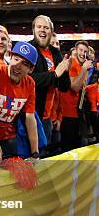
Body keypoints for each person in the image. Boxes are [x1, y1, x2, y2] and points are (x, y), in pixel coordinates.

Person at [28, 15, 71, 145]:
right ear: (33, 30)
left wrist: (64, 72)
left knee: (44, 157)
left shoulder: (56, 53)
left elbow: (64, 87)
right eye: (39, 27)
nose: (42, 30)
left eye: (46, 27)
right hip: (30, 116)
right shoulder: (28, 49)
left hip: (48, 118)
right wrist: (55, 74)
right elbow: (27, 79)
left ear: (51, 32)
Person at [60, 40, 93, 151]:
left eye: (85, 51)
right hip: (67, 114)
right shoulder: (72, 63)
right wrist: (84, 69)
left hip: (75, 113)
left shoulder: (80, 66)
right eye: (80, 50)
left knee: (75, 148)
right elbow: (74, 87)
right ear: (75, 50)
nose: (83, 53)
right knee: (68, 149)